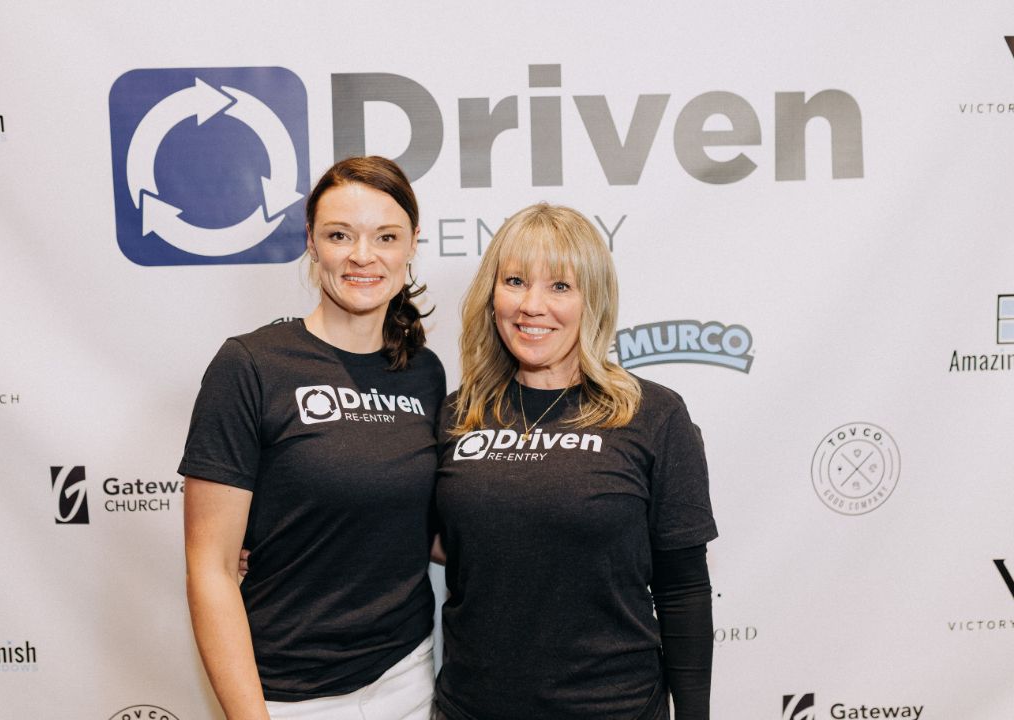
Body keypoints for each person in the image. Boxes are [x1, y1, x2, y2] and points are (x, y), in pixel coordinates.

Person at [181, 156, 445, 720]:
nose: (362, 256)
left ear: (412, 244)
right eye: (339, 235)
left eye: (386, 236)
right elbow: (211, 568)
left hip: (408, 678)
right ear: (311, 242)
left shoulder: (425, 372)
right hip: (287, 696)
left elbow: (427, 529)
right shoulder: (250, 366)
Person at [433, 203, 718, 720]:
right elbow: (402, 530)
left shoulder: (652, 414)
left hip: (614, 708)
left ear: (594, 300)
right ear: (491, 293)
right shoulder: (458, 413)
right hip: (472, 708)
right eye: (515, 280)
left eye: (560, 287)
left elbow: (683, 588)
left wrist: (694, 714)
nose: (532, 306)